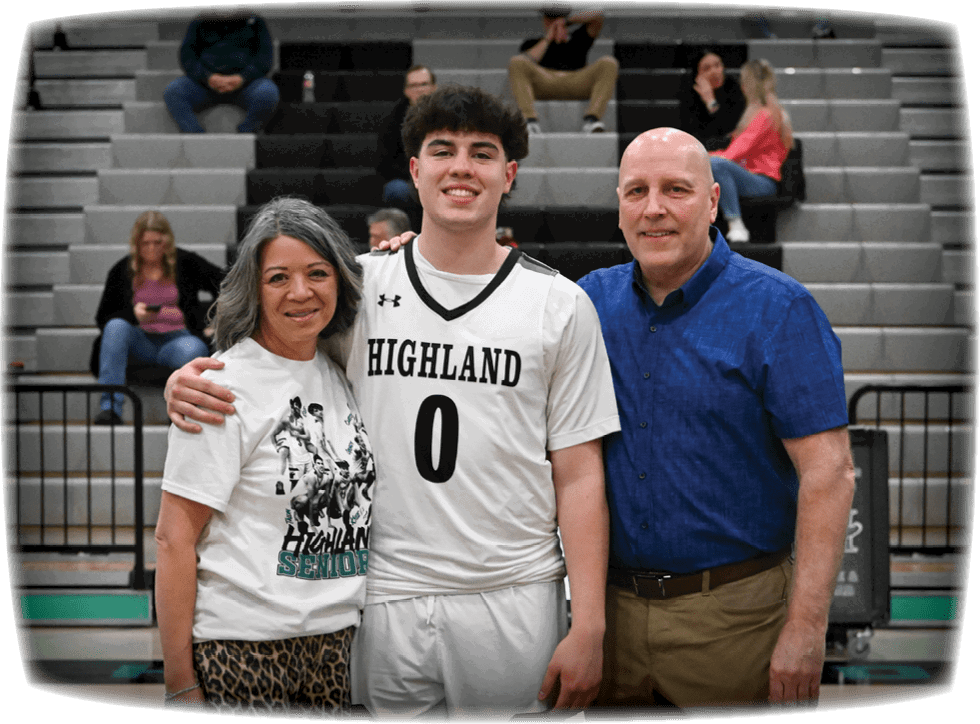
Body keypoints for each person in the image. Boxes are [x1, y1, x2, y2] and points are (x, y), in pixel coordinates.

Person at [164, 85, 620, 721]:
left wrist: (589, 623)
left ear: (509, 174)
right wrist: (187, 376)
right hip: (381, 595)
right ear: (415, 169)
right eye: (443, 150)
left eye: (482, 154)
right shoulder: (356, 286)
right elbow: (265, 355)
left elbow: (579, 474)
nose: (461, 167)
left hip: (514, 593)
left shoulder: (561, 304)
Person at [577, 127, 855, 715]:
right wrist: (408, 254)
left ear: (711, 203)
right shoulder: (586, 304)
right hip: (610, 619)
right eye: (637, 192)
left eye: (676, 190)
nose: (654, 208)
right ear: (619, 206)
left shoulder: (780, 309)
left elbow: (829, 474)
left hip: (738, 619)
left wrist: (806, 628)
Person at [154, 197, 372, 715]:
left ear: (339, 278)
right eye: (278, 278)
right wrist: (179, 683)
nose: (301, 292)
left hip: (336, 644)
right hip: (242, 646)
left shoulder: (338, 367)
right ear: (254, 288)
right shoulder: (221, 386)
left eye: (317, 273)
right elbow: (173, 537)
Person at [89, 210, 223, 425]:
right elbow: (103, 317)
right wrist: (133, 314)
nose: (151, 248)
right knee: (115, 327)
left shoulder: (186, 262)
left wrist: (214, 323)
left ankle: (183, 410)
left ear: (166, 241)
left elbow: (223, 282)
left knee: (194, 349)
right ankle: (110, 408)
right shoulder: (122, 269)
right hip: (139, 340)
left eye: (157, 242)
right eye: (145, 243)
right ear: (136, 244)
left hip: (176, 339)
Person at [708, 59, 794, 243]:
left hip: (762, 182)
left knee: (716, 164)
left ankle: (736, 223)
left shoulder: (766, 115)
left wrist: (703, 157)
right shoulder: (762, 113)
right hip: (751, 176)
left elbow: (735, 153)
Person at [163, 6, 279, 133]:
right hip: (205, 85)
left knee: (268, 93)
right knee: (173, 91)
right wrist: (208, 77)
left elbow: (265, 59)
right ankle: (195, 136)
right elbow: (187, 57)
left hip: (246, 85)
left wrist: (242, 77)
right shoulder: (199, 21)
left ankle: (245, 133)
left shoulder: (256, 21)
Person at [508, 4, 619, 134]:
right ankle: (530, 121)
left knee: (609, 63)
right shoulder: (533, 43)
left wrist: (566, 22)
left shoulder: (578, 38)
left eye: (555, 18)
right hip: (544, 82)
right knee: (516, 61)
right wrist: (548, 38)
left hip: (577, 81)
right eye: (549, 19)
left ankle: (591, 120)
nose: (551, 22)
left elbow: (598, 14)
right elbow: (527, 61)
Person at [376, 65, 437, 210]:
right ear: (406, 91)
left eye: (424, 84)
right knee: (396, 190)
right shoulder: (392, 121)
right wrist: (417, 177)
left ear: (434, 87)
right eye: (414, 85)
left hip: (441, 177)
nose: (419, 89)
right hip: (408, 178)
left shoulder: (447, 117)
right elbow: (385, 163)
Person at [677, 48, 746, 151]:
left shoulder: (735, 90)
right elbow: (692, 135)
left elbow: (728, 129)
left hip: (732, 152)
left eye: (717, 65)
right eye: (706, 68)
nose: (714, 71)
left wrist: (711, 102)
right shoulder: (690, 96)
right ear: (697, 75)